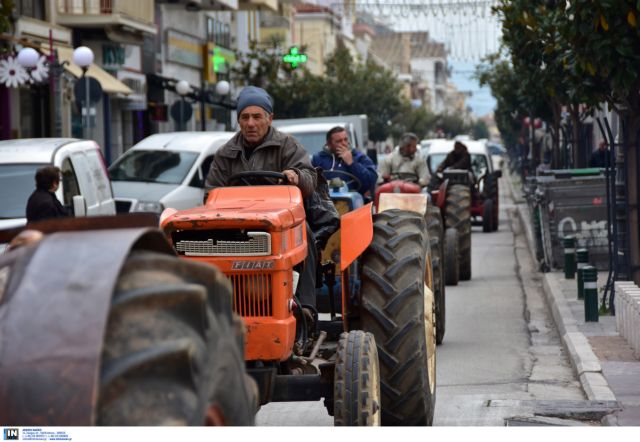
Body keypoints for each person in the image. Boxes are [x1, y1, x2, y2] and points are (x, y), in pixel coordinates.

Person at [204, 86, 319, 307]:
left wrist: (296, 176)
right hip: (236, 221)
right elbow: (211, 193)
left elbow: (310, 178)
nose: (250, 123)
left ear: (270, 118)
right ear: (238, 121)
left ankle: (305, 306)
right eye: (245, 117)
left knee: (306, 236)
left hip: (281, 221)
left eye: (257, 116)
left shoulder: (287, 146)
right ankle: (219, 304)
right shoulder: (225, 154)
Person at [311, 126, 378, 197]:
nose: (344, 143)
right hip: (326, 200)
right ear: (329, 144)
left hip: (354, 200)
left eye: (345, 139)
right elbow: (311, 182)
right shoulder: (319, 158)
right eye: (339, 141)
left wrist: (352, 164)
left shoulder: (359, 157)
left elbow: (371, 181)